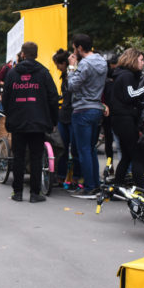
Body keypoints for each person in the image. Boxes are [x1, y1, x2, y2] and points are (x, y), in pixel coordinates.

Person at [1, 42, 59, 202]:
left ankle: (17, 192)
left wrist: (10, 114)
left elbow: (5, 98)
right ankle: (35, 193)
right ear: (37, 54)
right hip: (38, 121)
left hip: (17, 121)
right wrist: (53, 119)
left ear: (23, 54)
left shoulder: (12, 74)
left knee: (18, 157)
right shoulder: (43, 73)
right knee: (36, 157)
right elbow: (53, 98)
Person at [67, 33, 108, 198]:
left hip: (83, 108)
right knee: (90, 149)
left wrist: (71, 67)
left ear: (80, 48)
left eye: (74, 48)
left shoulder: (84, 64)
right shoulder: (102, 62)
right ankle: (95, 185)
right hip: (96, 107)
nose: (73, 51)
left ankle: (90, 186)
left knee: (83, 150)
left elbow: (72, 85)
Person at [109, 48, 144, 188]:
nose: (143, 63)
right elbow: (130, 96)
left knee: (127, 156)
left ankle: (118, 185)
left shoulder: (121, 75)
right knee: (136, 155)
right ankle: (141, 187)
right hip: (125, 120)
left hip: (119, 119)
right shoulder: (127, 76)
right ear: (133, 60)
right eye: (141, 60)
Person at [52, 48, 79, 186]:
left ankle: (75, 178)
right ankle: (61, 176)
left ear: (64, 63)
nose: (57, 67)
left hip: (72, 114)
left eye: (58, 64)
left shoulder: (72, 74)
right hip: (64, 115)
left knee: (74, 149)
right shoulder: (64, 76)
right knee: (62, 147)